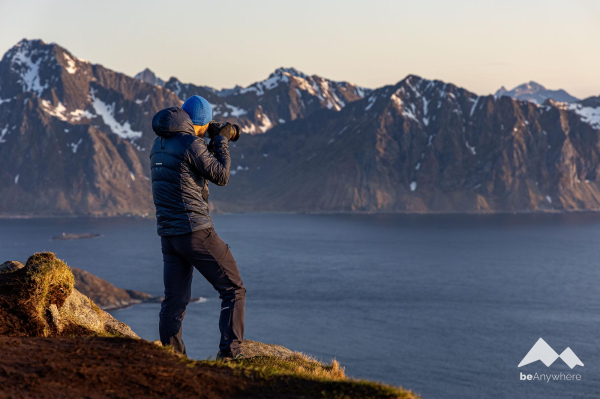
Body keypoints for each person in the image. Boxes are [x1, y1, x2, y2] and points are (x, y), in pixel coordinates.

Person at [149, 95, 246, 361]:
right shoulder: (191, 142)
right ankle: (230, 356)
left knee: (174, 301)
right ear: (202, 123)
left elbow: (192, 169)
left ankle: (172, 358)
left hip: (169, 235)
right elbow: (221, 176)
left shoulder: (159, 143)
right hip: (195, 231)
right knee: (234, 290)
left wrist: (209, 141)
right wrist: (222, 140)